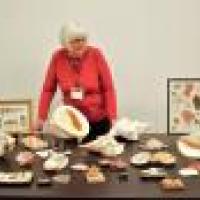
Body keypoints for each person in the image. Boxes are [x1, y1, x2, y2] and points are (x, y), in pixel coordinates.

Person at [35, 21, 117, 142]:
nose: (80, 44)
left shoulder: (96, 55)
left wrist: (112, 116)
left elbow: (108, 88)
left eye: (83, 39)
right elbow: (48, 89)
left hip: (98, 121)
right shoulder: (57, 57)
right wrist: (41, 117)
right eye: (75, 41)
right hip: (71, 122)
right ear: (65, 42)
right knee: (73, 157)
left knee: (98, 158)